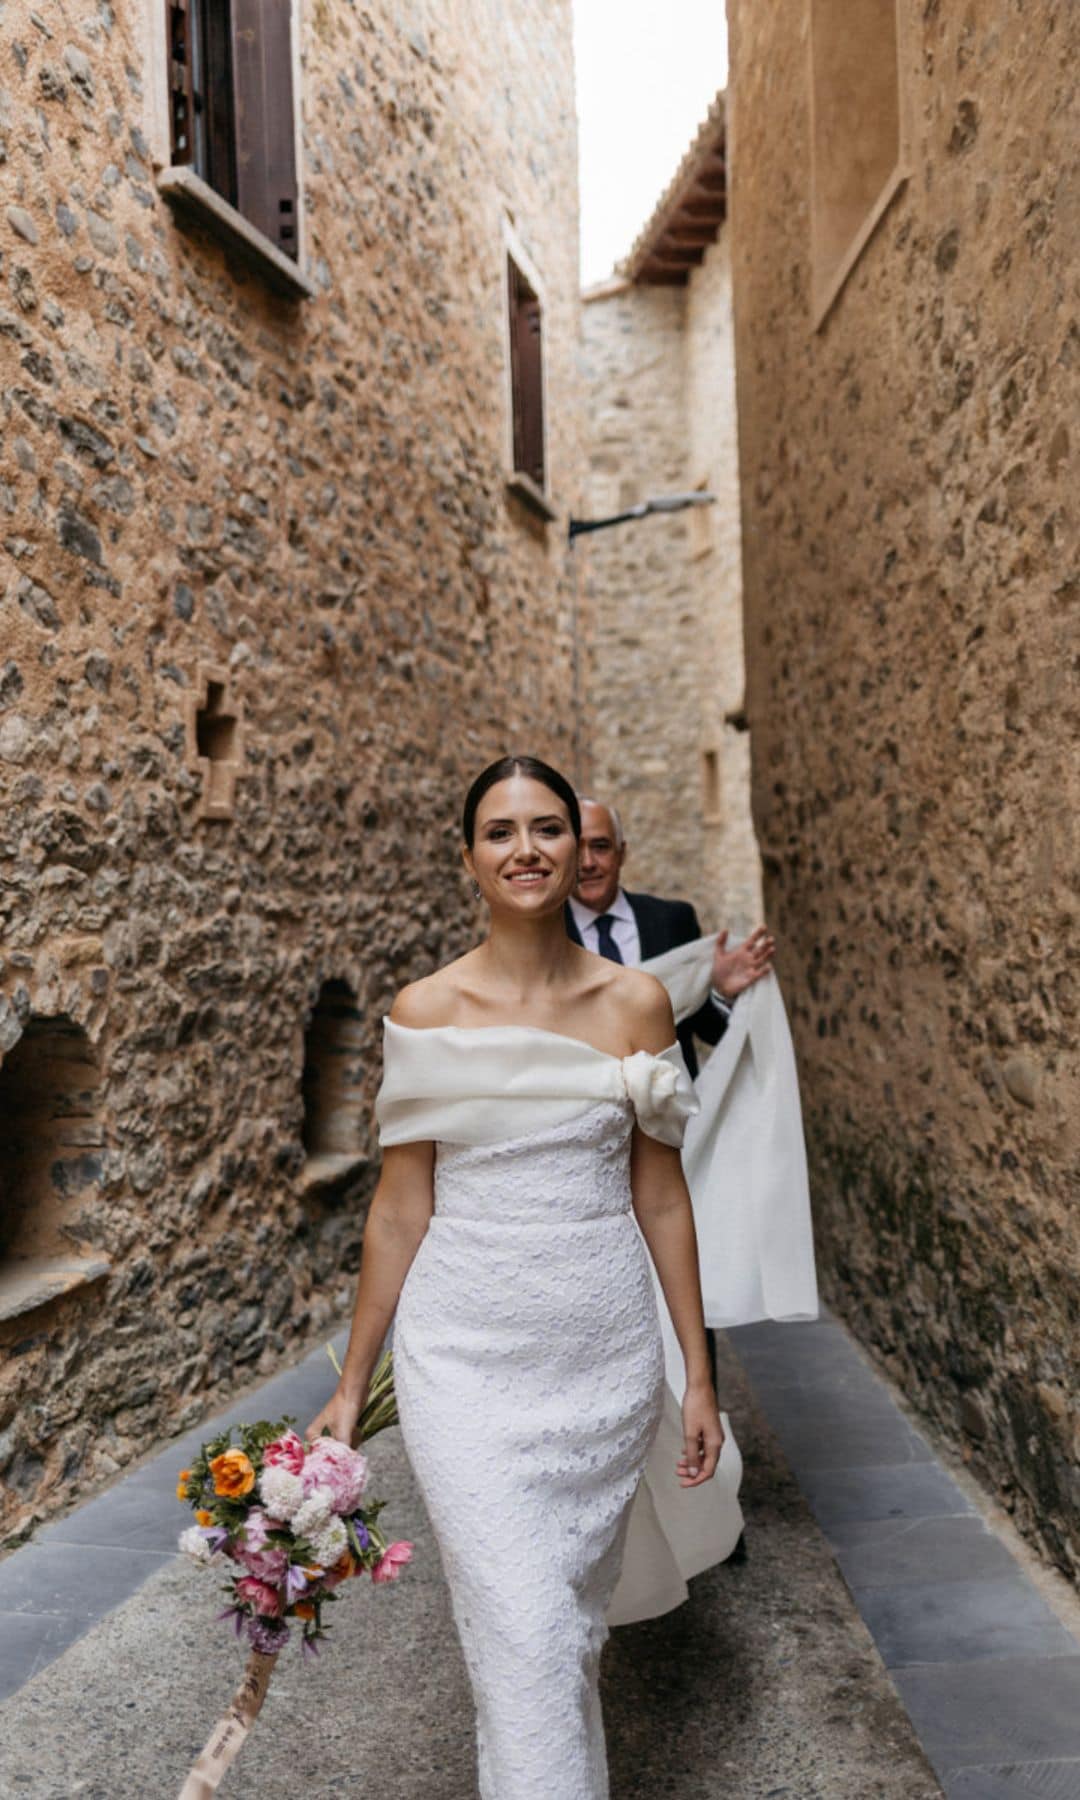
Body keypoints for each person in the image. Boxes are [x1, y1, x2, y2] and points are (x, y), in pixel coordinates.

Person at [309, 754, 724, 1800]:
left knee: (563, 1632)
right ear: (469, 859)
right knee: (526, 1630)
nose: (527, 849)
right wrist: (355, 1386)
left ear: (581, 850)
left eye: (548, 829)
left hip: (600, 1357)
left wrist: (700, 1371)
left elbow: (662, 1198)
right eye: (501, 832)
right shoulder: (426, 1009)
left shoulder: (634, 1004)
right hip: (465, 1361)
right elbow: (401, 1207)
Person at [566, 797, 775, 1076]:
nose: (588, 862)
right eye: (576, 850)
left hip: (676, 1111)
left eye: (600, 846)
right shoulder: (544, 938)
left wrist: (719, 991)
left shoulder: (672, 921)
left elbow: (709, 1029)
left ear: (622, 853)